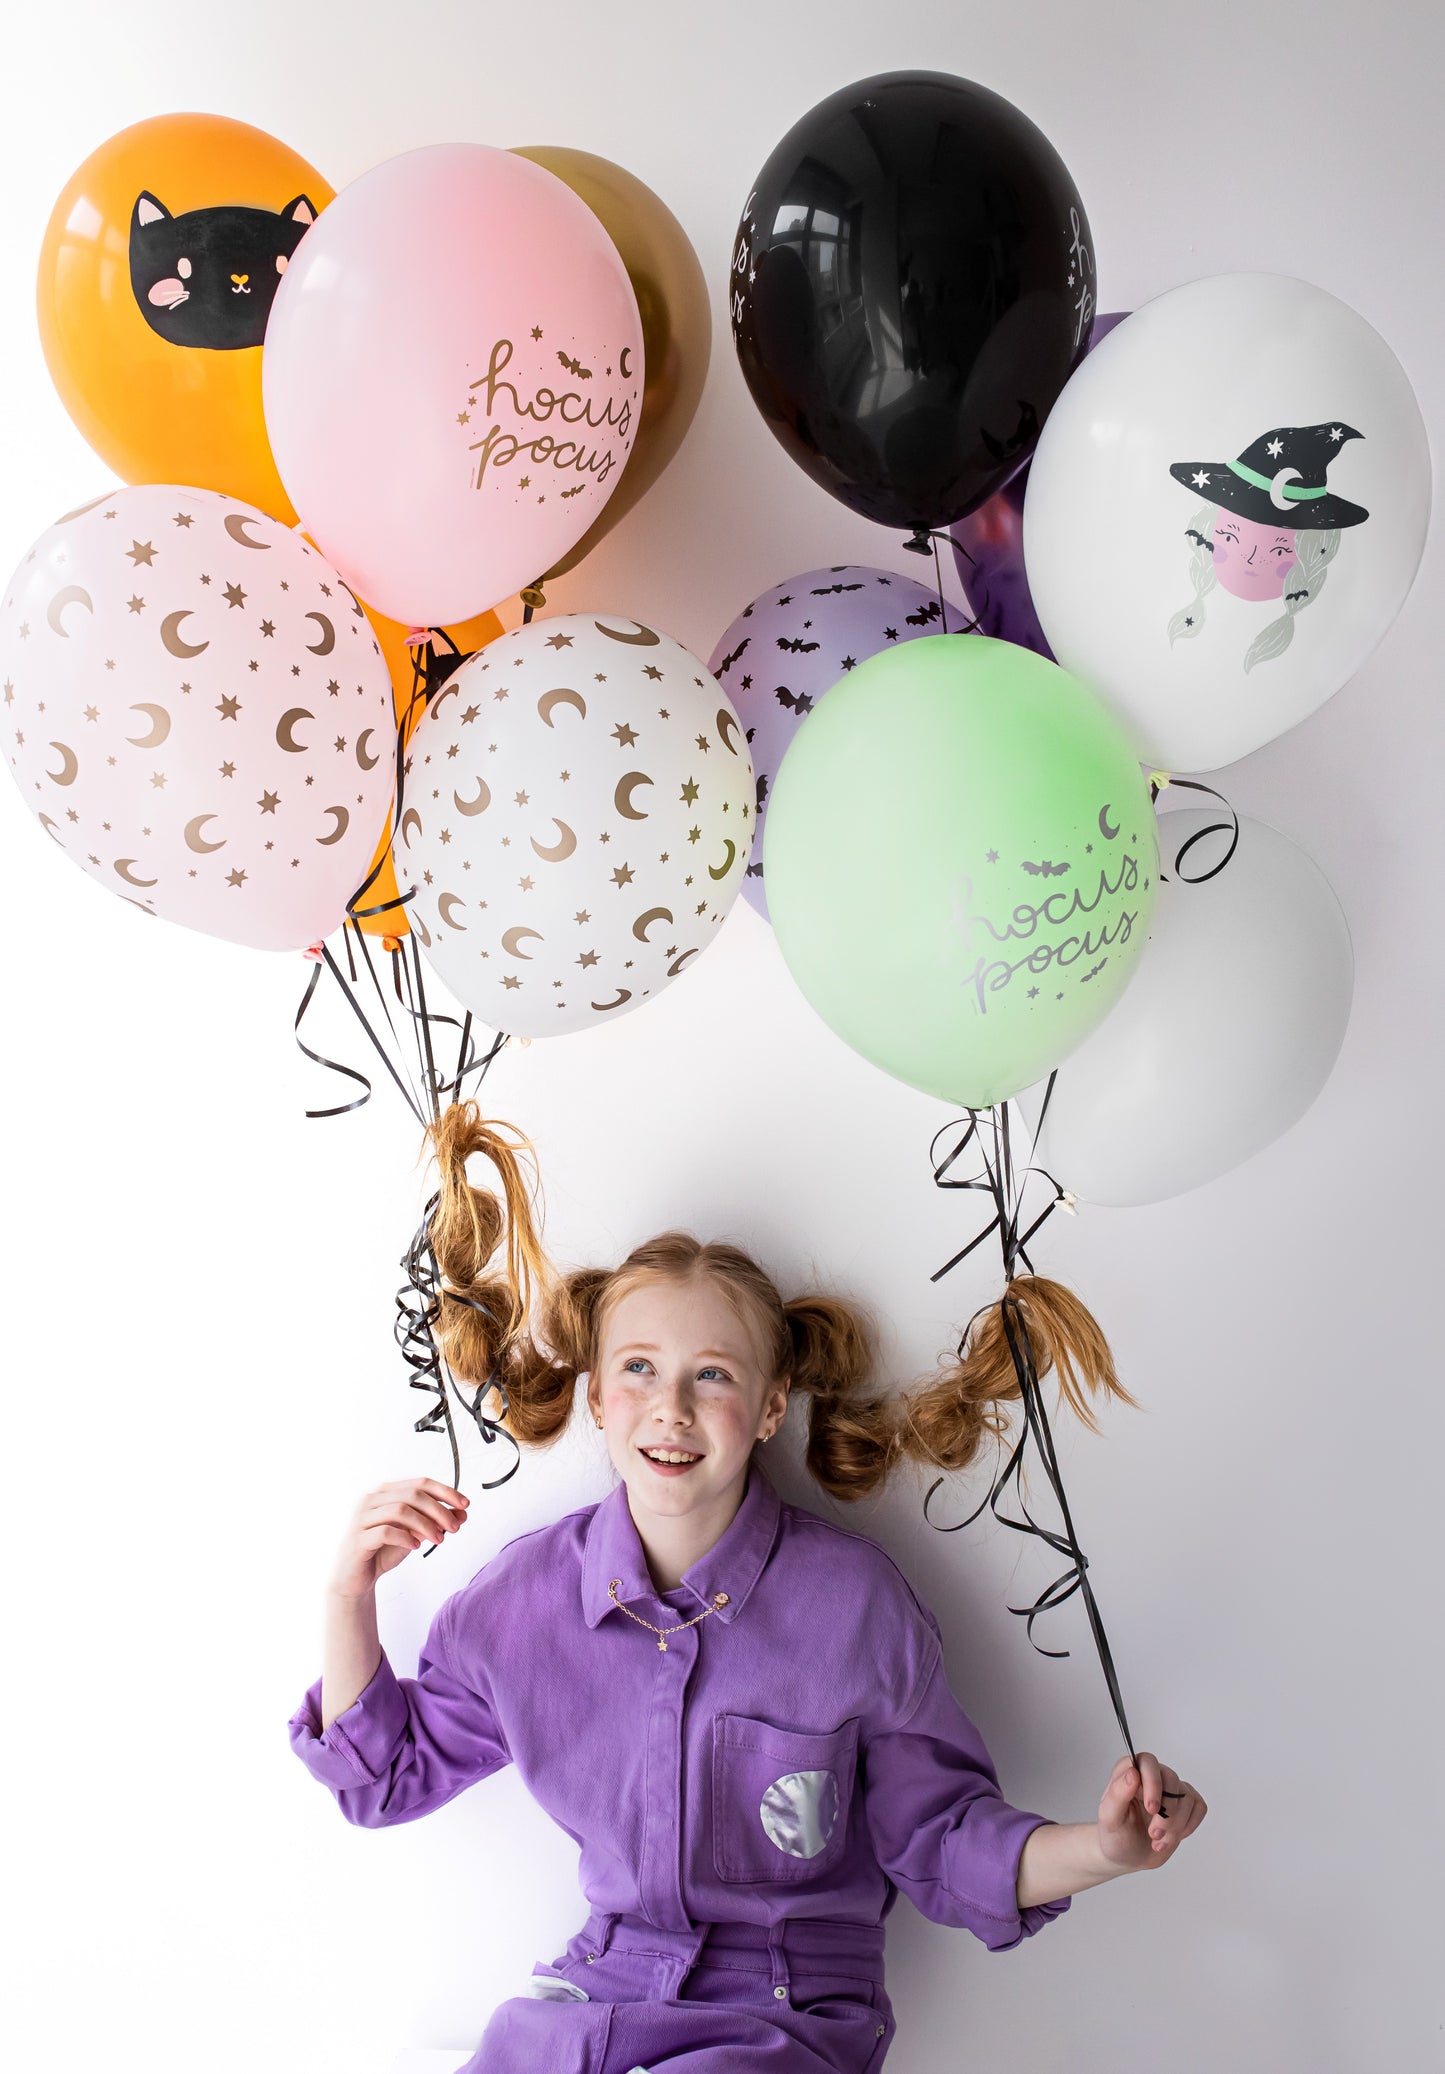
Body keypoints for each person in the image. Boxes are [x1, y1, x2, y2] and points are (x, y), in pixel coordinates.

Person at [290, 1104, 1206, 2073]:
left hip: (786, 2015)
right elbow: (383, 1780)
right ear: (597, 1396)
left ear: (770, 1408)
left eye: (712, 1376)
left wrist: (1107, 1850)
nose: (670, 1408)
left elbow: (942, 1839)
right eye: (637, 1369)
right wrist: (348, 1594)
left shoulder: (853, 1607)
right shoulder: (521, 1603)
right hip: (596, 1994)